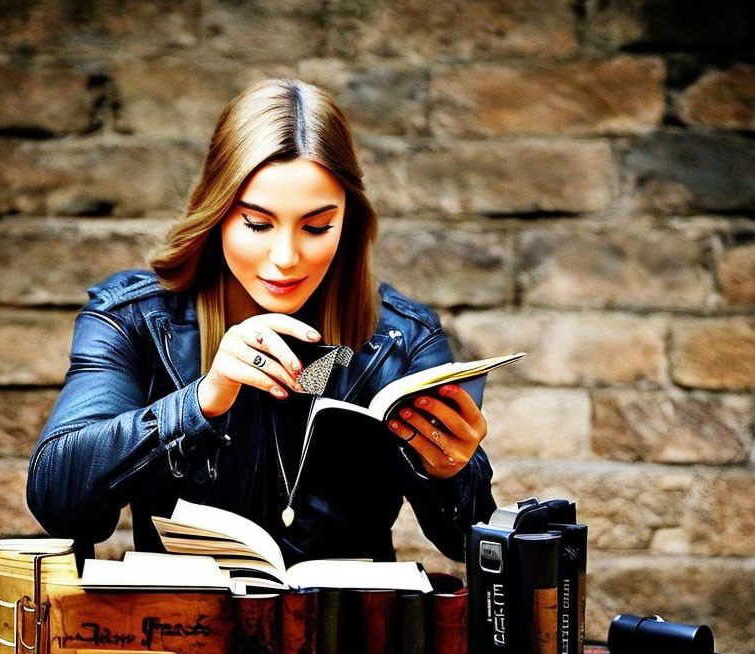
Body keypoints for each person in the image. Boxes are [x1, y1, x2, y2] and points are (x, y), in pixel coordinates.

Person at [27, 78, 496, 565]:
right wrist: (201, 400)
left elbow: (466, 544)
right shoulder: (135, 318)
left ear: (348, 222)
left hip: (345, 630)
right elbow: (59, 504)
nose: (286, 258)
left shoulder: (405, 338)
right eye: (257, 224)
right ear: (218, 214)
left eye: (317, 227)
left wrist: (453, 475)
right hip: (184, 630)